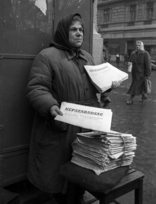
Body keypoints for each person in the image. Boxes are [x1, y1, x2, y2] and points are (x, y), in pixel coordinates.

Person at [26, 13, 121, 204]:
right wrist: (50, 106)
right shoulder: (47, 57)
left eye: (81, 30)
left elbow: (95, 85)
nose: (79, 34)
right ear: (64, 32)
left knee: (82, 172)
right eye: (74, 29)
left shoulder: (87, 57)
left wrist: (108, 85)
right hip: (62, 127)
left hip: (86, 128)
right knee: (59, 175)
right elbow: (36, 88)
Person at [126, 40, 151, 105]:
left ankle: (131, 99)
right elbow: (130, 61)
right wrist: (129, 63)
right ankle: (143, 96)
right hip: (134, 73)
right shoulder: (133, 53)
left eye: (139, 45)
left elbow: (148, 65)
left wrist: (148, 75)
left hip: (142, 74)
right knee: (140, 86)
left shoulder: (146, 54)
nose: (138, 47)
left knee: (135, 86)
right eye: (136, 45)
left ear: (142, 46)